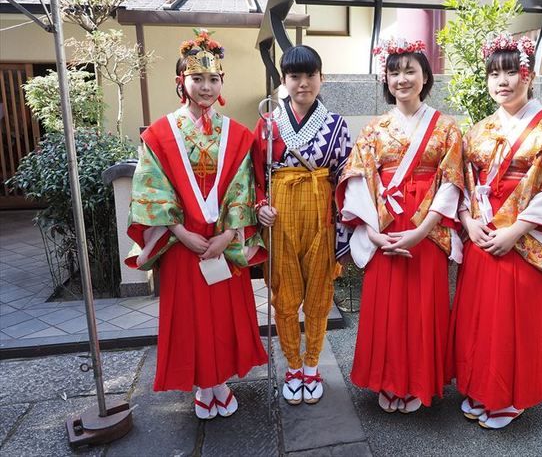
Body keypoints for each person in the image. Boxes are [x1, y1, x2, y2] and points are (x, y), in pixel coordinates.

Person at [449, 33, 542, 429]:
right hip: (483, 231)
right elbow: (462, 179)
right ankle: (480, 388)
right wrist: (468, 221)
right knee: (479, 318)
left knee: (515, 321)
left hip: (527, 235)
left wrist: (516, 229)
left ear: (527, 75)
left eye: (510, 72)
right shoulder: (478, 130)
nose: (502, 81)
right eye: (494, 73)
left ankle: (510, 397)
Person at [126, 29, 267, 420]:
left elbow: (244, 186)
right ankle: (204, 386)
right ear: (181, 82)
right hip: (181, 242)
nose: (206, 87)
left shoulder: (236, 135)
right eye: (197, 78)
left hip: (222, 240)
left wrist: (226, 234)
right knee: (191, 317)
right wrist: (180, 232)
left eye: (213, 79)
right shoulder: (158, 135)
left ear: (222, 83)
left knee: (223, 315)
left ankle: (221, 380)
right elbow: (152, 187)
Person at [336, 38, 464, 413]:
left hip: (426, 227)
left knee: (423, 309)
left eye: (410, 70)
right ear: (386, 79)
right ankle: (389, 381)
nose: (402, 78)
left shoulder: (446, 128)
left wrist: (423, 231)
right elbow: (357, 178)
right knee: (386, 309)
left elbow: (452, 182)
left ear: (425, 76)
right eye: (394, 72)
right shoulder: (375, 128)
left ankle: (417, 383)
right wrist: (372, 233)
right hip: (385, 226)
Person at [253, 45, 352, 405]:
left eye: (310, 75)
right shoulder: (267, 124)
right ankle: (292, 365)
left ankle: (312, 366)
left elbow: (346, 177)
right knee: (284, 294)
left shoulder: (337, 125)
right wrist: (260, 205)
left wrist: (346, 223)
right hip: (281, 216)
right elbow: (254, 177)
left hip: (322, 213)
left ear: (321, 78)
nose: (303, 83)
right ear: (284, 81)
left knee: (319, 295)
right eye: (295, 76)